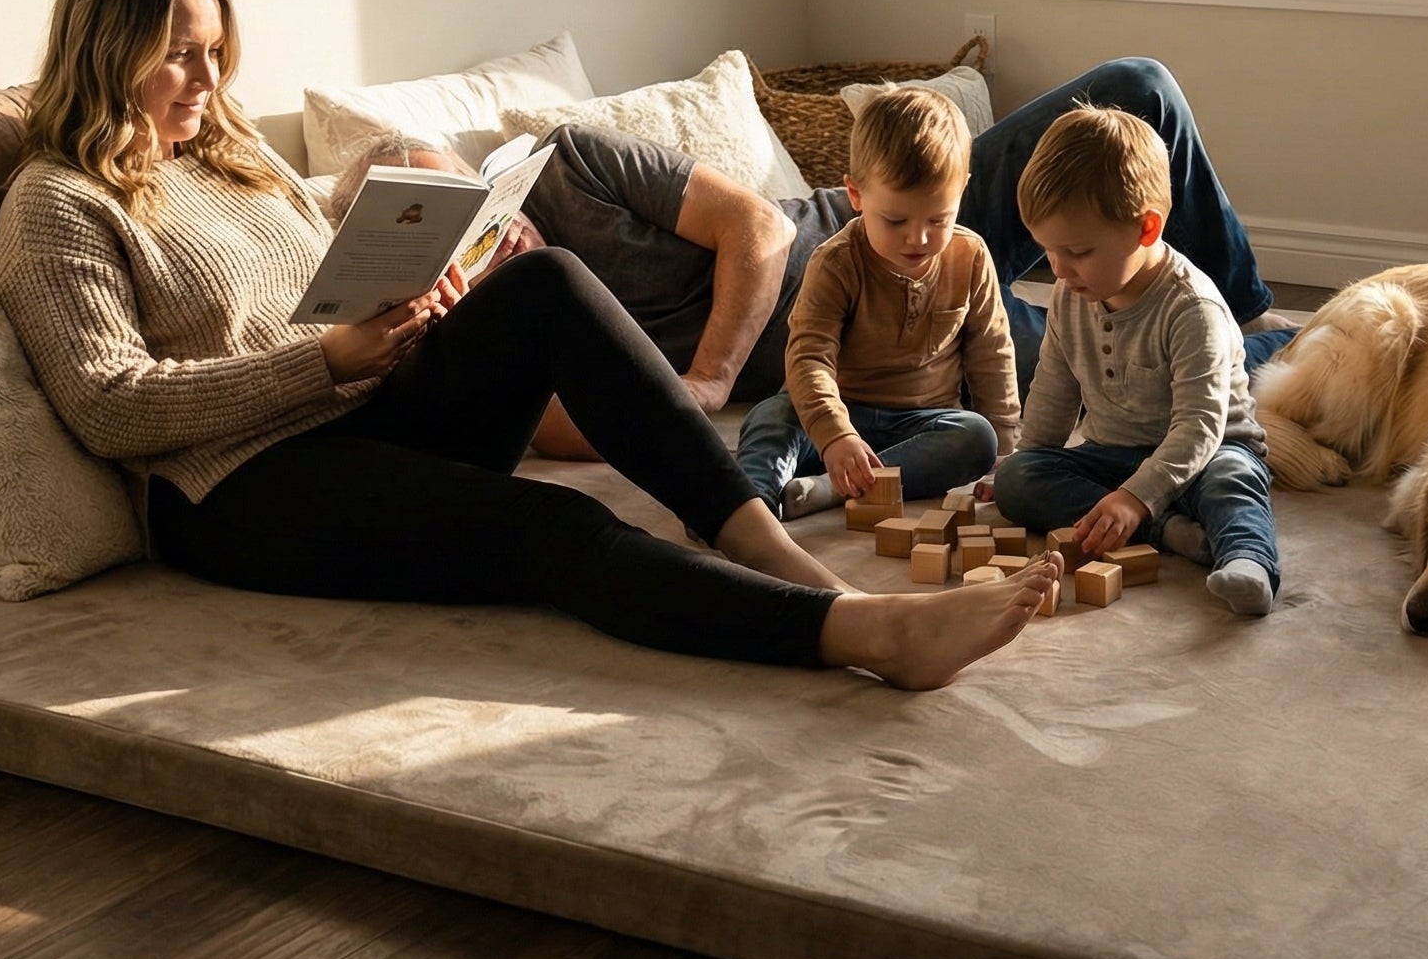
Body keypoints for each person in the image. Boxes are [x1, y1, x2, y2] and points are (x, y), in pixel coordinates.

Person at [0, 0, 1061, 690]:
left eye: (215, 51)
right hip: (233, 489)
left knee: (541, 284)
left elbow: (321, 298)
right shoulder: (56, 203)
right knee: (554, 526)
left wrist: (412, 306)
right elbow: (110, 408)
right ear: (104, 47)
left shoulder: (230, 157)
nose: (204, 78)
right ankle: (850, 634)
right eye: (179, 51)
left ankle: (784, 560)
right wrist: (325, 363)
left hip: (359, 408)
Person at [515, 59, 1295, 458]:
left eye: (481, 207)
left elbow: (760, 230)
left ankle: (1242, 302)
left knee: (1138, 85)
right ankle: (1287, 344)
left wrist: (712, 378)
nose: (498, 239)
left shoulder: (567, 160)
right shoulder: (507, 316)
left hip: (900, 220)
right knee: (1129, 373)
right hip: (904, 351)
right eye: (467, 245)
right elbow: (567, 431)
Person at [990, 105, 1282, 618]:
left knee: (1232, 485)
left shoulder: (1194, 309)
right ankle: (1171, 533)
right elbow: (1055, 389)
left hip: (1206, 452)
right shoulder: (1069, 294)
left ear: (1146, 229)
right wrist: (1029, 456)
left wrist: (1137, 496)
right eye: (1047, 251)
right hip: (1111, 454)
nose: (1058, 269)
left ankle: (1248, 561)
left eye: (1077, 252)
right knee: (1019, 479)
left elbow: (1199, 427)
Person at [735, 88, 1018, 519]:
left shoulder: (971, 257)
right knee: (774, 415)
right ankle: (746, 502)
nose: (918, 239)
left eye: (938, 219)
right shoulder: (836, 262)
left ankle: (835, 488)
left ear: (961, 191)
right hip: (838, 415)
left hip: (923, 427)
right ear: (856, 195)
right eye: (896, 220)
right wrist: (834, 434)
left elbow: (992, 354)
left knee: (977, 437)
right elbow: (808, 357)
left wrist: (1004, 455)